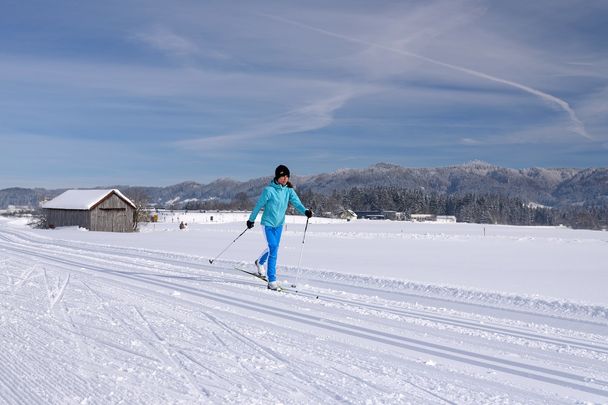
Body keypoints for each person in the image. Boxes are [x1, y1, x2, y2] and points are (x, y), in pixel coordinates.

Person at [247, 164, 313, 290]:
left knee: (273, 248)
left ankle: (259, 262)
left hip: (279, 225)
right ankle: (272, 280)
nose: (285, 178)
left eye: (286, 176)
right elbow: (258, 205)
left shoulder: (289, 190)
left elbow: (297, 203)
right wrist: (251, 220)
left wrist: (305, 211)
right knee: (273, 248)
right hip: (267, 224)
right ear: (277, 177)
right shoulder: (268, 190)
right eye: (282, 176)